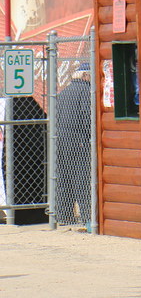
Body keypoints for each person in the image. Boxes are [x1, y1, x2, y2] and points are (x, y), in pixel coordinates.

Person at [54, 62, 92, 227]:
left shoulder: (62, 93)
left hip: (61, 142)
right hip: (80, 142)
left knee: (64, 179)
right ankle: (88, 216)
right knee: (82, 179)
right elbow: (87, 120)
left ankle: (64, 215)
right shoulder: (86, 92)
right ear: (85, 76)